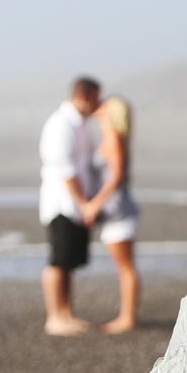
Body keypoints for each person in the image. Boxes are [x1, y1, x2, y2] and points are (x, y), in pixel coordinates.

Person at [38, 76, 101, 336]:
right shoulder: (61, 125)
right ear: (84, 96)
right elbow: (66, 169)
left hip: (74, 203)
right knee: (58, 261)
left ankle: (66, 313)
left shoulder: (79, 124)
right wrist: (84, 202)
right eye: (96, 98)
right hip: (62, 203)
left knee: (68, 262)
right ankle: (54, 316)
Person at [82, 96, 141, 334]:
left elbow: (116, 176)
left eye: (105, 105)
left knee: (125, 267)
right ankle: (126, 315)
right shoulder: (109, 136)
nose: (100, 105)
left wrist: (95, 204)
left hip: (119, 210)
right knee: (124, 266)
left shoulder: (115, 136)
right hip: (114, 210)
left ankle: (128, 317)